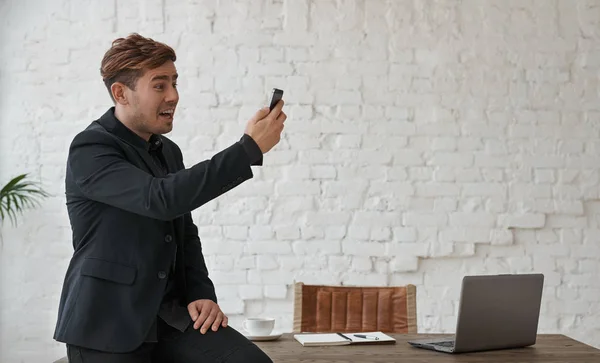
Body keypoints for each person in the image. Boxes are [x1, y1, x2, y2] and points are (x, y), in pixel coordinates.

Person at [53, 33, 285, 363]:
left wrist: (201, 293)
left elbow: (183, 231)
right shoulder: (91, 149)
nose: (174, 95)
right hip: (107, 322)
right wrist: (247, 149)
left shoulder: (168, 151)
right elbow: (160, 199)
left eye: (174, 82)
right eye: (159, 85)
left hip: (171, 317)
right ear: (121, 93)